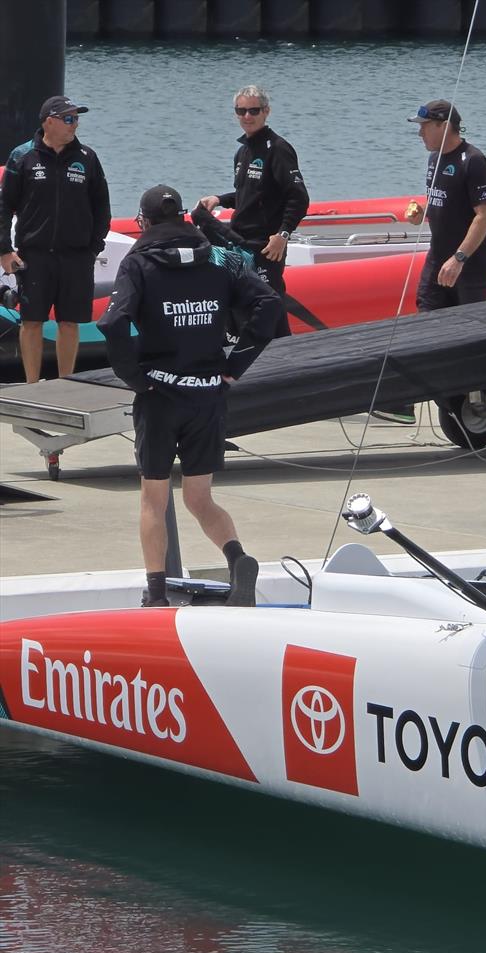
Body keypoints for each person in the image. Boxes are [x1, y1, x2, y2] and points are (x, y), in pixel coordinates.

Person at [97, 185, 284, 608]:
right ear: (183, 217)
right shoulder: (218, 257)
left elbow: (112, 324)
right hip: (208, 395)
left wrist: (135, 379)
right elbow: (269, 304)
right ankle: (237, 559)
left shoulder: (139, 263)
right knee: (200, 497)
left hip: (160, 395)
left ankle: (157, 594)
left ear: (143, 223)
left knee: (153, 498)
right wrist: (235, 367)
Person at [373, 99, 486, 425]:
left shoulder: (475, 161)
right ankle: (408, 400)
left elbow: (484, 216)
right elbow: (443, 203)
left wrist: (459, 258)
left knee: (472, 334)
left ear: (444, 126)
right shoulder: (434, 159)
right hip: (437, 258)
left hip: (469, 265)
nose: (420, 134)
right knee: (424, 325)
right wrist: (420, 214)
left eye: (424, 127)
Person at [0, 95, 111, 383]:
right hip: (34, 254)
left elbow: (101, 206)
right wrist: (4, 250)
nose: (75, 124)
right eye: (69, 118)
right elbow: (4, 206)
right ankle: (32, 385)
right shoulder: (22, 156)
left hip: (76, 256)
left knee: (69, 322)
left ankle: (66, 382)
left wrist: (93, 247)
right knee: (32, 321)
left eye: (77, 118)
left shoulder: (87, 157)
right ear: (49, 121)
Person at [199, 85, 309, 338]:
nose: (247, 116)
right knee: (245, 308)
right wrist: (219, 199)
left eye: (253, 111)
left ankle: (285, 357)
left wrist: (283, 234)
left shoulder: (278, 149)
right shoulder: (243, 151)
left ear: (266, 112)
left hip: (267, 245)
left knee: (270, 307)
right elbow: (249, 195)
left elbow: (299, 197)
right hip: (241, 244)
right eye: (241, 111)